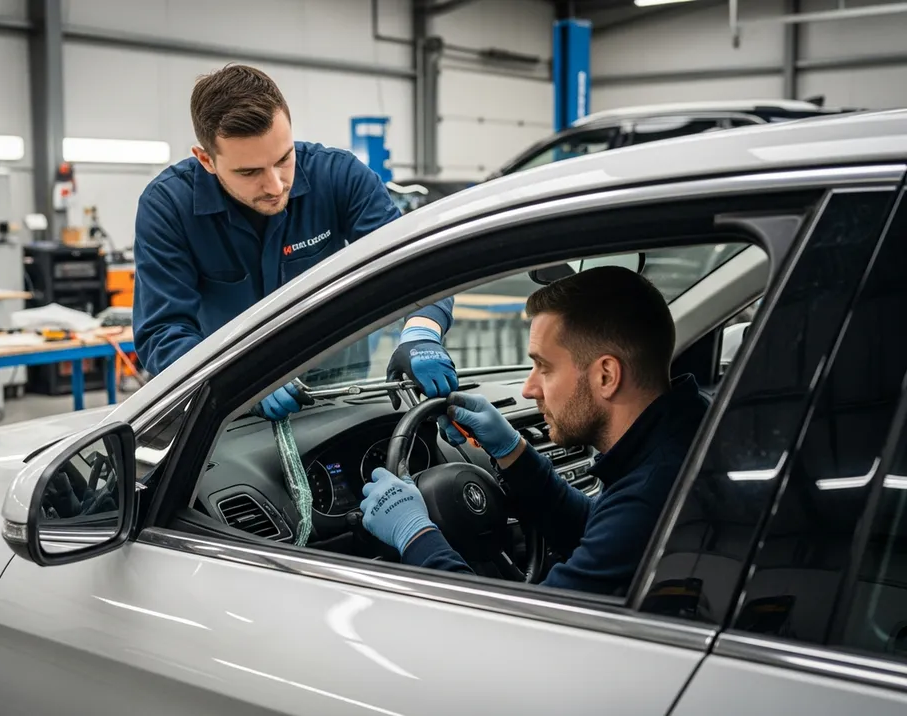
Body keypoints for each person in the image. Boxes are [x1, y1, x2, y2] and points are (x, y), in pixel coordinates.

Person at [359, 266, 709, 596]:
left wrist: (415, 535)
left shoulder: (653, 495)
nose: (528, 389)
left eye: (543, 366)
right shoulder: (687, 437)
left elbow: (513, 637)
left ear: (606, 376)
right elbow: (597, 529)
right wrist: (512, 451)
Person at [132, 64, 457, 419]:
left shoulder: (338, 176)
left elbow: (415, 266)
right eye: (249, 172)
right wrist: (236, 380)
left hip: (337, 388)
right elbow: (163, 331)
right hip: (226, 404)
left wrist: (422, 332)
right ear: (206, 159)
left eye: (284, 158)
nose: (274, 185)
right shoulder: (168, 206)